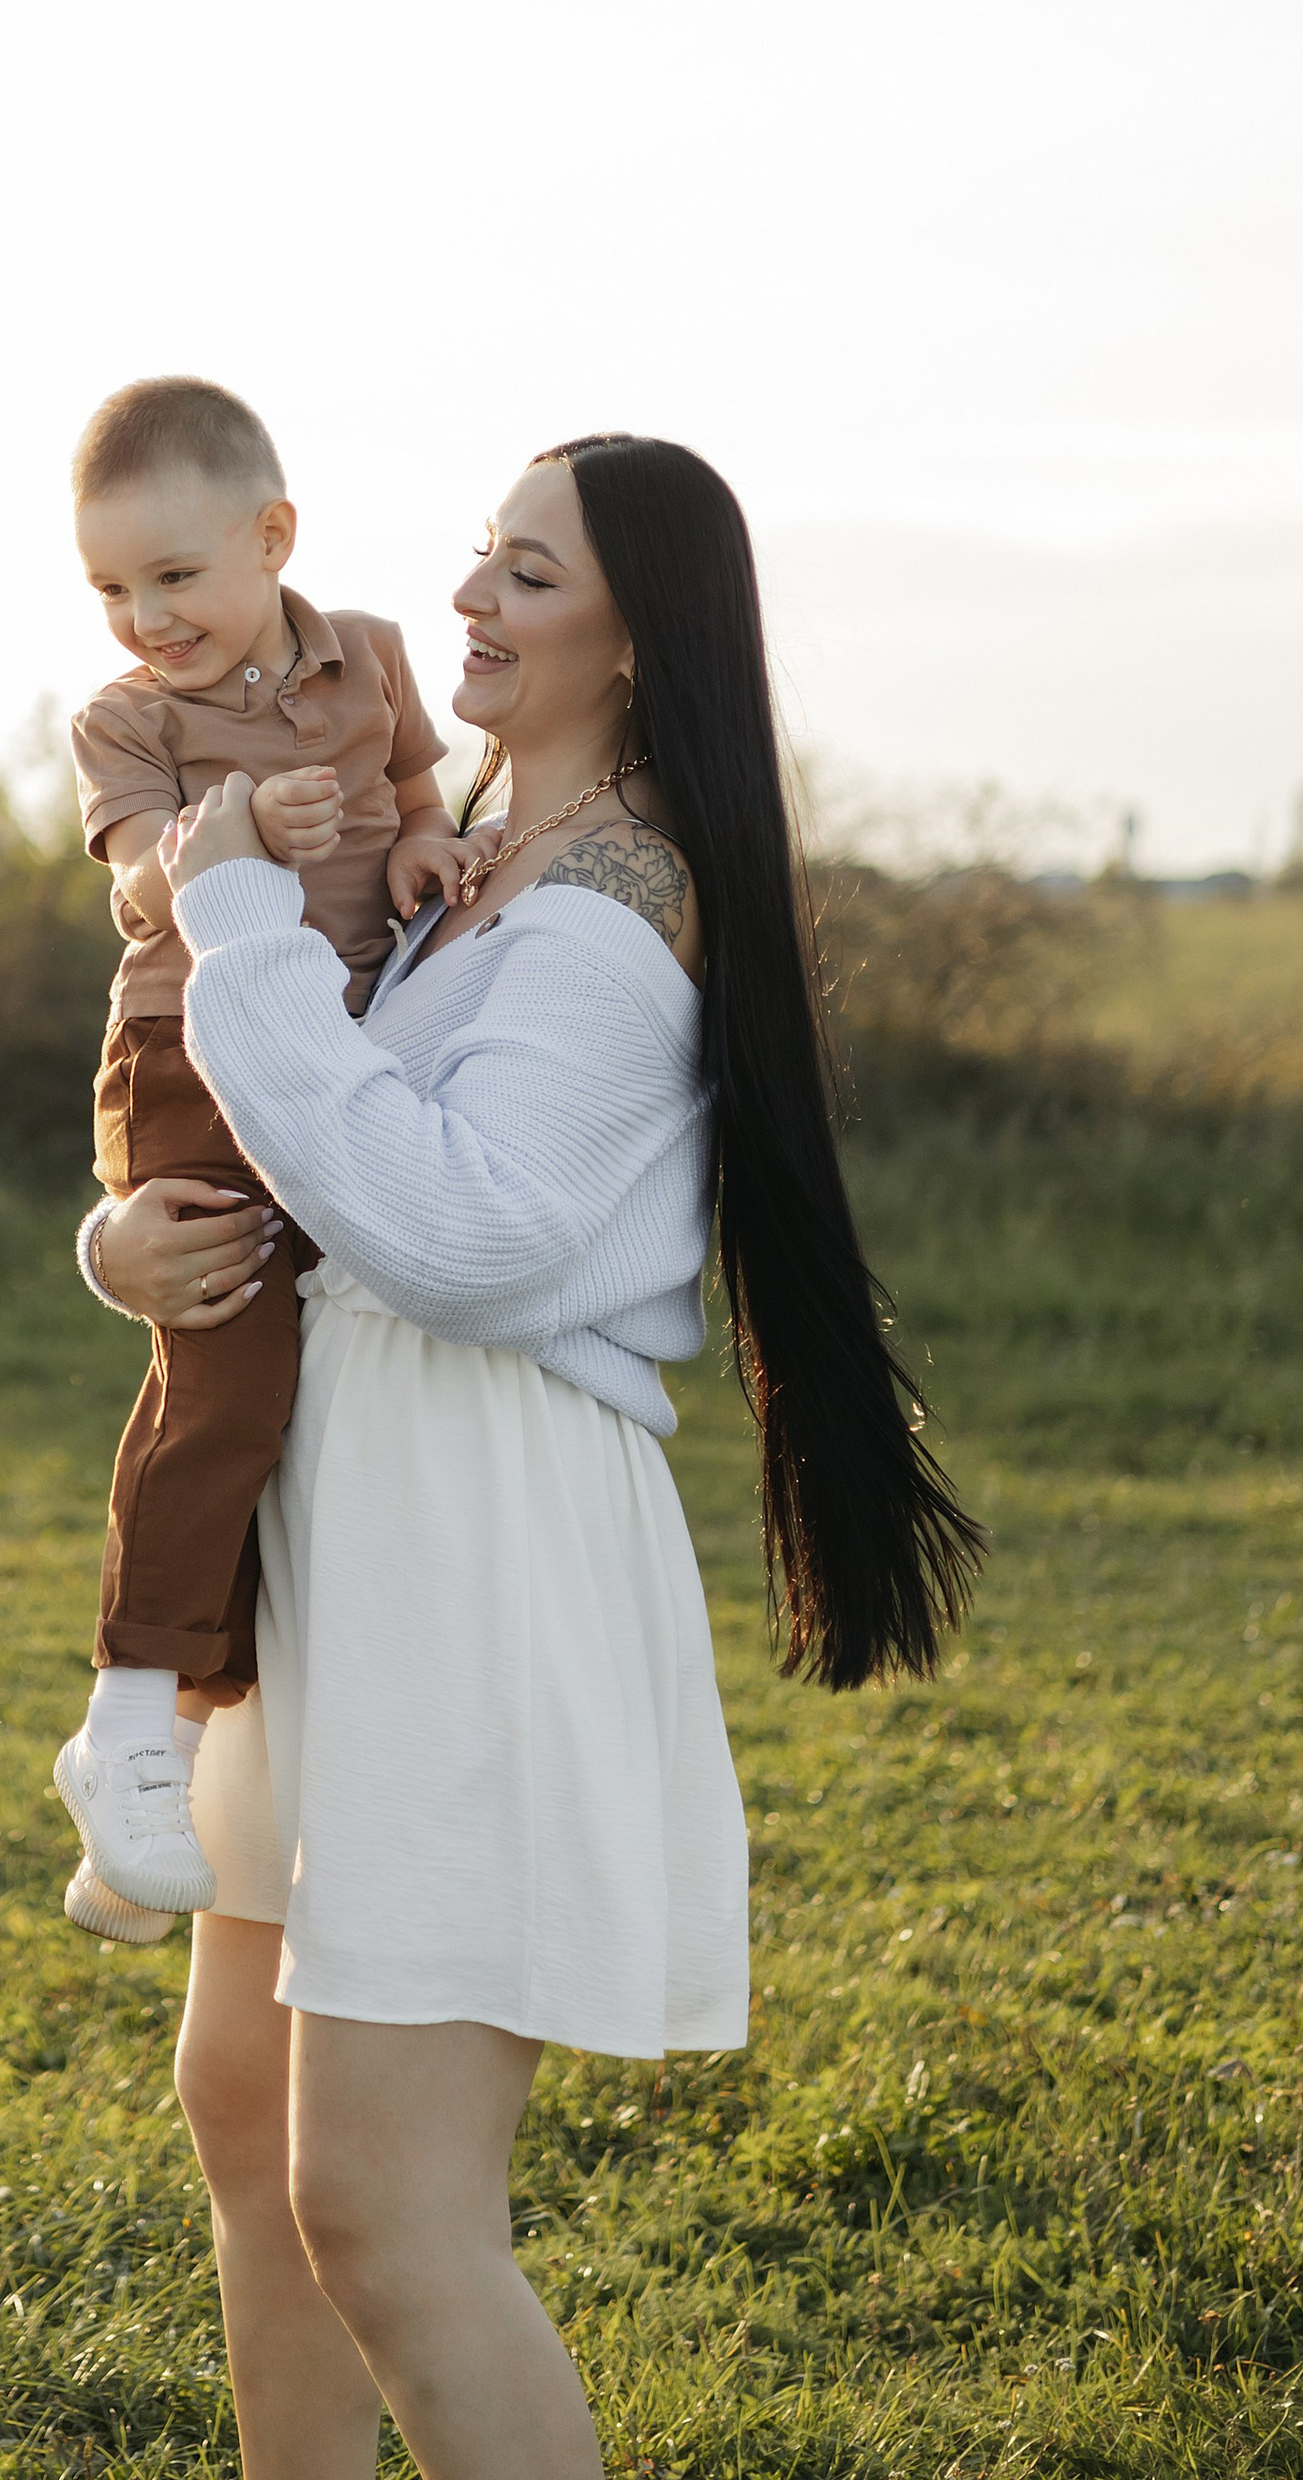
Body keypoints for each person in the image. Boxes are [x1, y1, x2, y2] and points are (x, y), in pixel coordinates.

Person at [82, 434, 983, 2479]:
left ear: (638, 637)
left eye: (530, 577)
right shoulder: (456, 866)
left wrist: (227, 934)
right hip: (342, 1521)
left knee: (387, 2214)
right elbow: (310, 1158)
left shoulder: (603, 908)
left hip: (463, 1539)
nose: (471, 603)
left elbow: (474, 1240)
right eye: (477, 560)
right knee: (245, 2113)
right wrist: (120, 1242)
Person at [51, 377, 470, 1942]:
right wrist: (230, 832)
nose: (143, 617)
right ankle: (126, 1708)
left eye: (172, 576)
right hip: (190, 1052)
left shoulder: (366, 652)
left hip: (342, 1053)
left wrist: (419, 840)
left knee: (295, 1409)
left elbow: (415, 791)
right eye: (108, 588)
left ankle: (163, 1769)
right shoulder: (127, 722)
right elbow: (144, 893)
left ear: (271, 536)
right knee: (222, 1380)